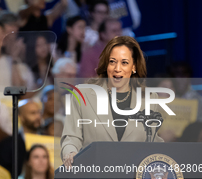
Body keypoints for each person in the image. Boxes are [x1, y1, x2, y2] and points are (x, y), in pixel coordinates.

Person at [61, 36, 163, 167]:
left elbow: (152, 141)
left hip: (132, 178)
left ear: (134, 66)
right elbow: (71, 137)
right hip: (94, 175)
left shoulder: (149, 98)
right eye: (112, 62)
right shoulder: (82, 94)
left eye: (124, 63)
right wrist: (70, 153)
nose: (117, 68)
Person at [0, 99, 42, 176]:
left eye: (39, 112)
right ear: (21, 117)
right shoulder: (9, 145)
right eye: (33, 113)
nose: (38, 116)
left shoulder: (49, 139)